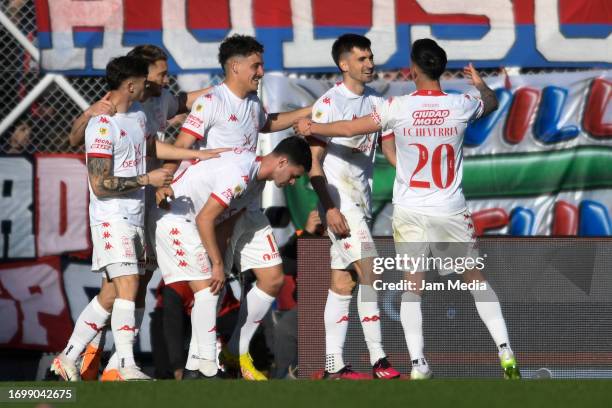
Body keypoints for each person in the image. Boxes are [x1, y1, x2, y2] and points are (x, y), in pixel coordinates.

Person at [294, 38, 520, 380]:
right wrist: (480, 84)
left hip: (410, 209)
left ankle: (416, 364)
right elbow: (490, 102)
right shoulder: (461, 104)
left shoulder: (395, 106)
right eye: (363, 58)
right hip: (446, 208)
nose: (370, 63)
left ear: (413, 71)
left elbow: (352, 129)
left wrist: (314, 128)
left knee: (404, 286)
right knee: (474, 280)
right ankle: (505, 354)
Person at [50, 56, 226, 382]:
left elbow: (153, 151)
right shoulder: (101, 125)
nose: (152, 86)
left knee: (119, 291)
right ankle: (126, 365)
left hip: (138, 215)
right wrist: (147, 180)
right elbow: (100, 185)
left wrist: (195, 154)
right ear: (130, 84)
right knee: (129, 285)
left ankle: (68, 357)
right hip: (110, 217)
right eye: (146, 81)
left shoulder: (140, 118)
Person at [158, 34, 310, 381]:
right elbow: (183, 145)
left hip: (247, 201)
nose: (261, 71)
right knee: (212, 287)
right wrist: (165, 182)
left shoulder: (253, 103)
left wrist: (306, 113)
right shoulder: (211, 101)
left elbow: (266, 123)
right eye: (256, 65)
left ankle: (234, 352)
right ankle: (198, 367)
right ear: (235, 66)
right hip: (216, 207)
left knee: (272, 279)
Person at [155, 136, 311, 379]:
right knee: (207, 290)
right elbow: (205, 219)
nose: (292, 182)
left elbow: (225, 222)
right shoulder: (241, 176)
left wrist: (222, 263)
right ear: (281, 162)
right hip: (176, 219)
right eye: (294, 175)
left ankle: (209, 364)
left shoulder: (256, 180)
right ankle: (202, 369)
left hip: (197, 221)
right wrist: (216, 264)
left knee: (220, 287)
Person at [306, 34, 399, 380]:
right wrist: (329, 208)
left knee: (343, 283)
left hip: (361, 200)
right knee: (371, 272)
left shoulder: (376, 100)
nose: (370, 64)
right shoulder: (328, 104)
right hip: (341, 204)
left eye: (371, 57)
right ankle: (379, 361)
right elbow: (314, 163)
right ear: (343, 64)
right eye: (361, 59)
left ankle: (334, 366)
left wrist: (411, 175)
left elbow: (387, 147)